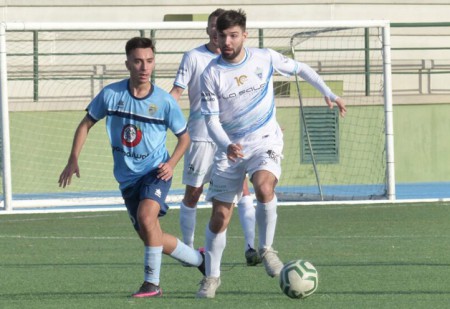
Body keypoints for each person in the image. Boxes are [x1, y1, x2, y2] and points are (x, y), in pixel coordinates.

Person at [196, 9, 347, 298]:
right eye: (221, 35)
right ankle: (212, 278)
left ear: (244, 35)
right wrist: (226, 144)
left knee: (264, 187)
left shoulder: (264, 58)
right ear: (215, 36)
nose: (226, 41)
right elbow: (211, 120)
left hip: (265, 138)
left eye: (233, 35)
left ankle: (266, 249)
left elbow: (301, 69)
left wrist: (328, 91)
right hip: (229, 148)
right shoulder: (211, 74)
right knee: (220, 217)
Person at [58, 37, 205, 298]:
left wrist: (171, 164)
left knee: (147, 218)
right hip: (127, 180)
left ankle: (152, 284)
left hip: (155, 172)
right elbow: (85, 124)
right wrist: (73, 159)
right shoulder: (111, 95)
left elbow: (185, 137)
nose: (144, 67)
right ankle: (199, 260)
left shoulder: (164, 101)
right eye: (138, 61)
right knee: (151, 234)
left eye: (149, 61)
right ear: (127, 63)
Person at [170, 8, 261, 266]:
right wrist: (162, 113)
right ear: (210, 30)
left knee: (243, 191)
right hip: (201, 136)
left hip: (234, 137)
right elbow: (177, 91)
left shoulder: (243, 61)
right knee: (193, 192)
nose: (216, 32)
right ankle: (187, 250)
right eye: (213, 27)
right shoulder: (194, 57)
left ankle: (251, 247)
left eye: (221, 28)